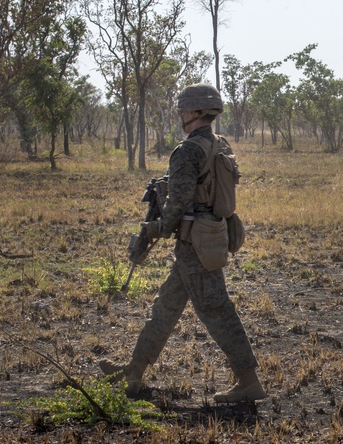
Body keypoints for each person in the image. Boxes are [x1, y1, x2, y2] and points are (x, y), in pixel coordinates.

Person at [100, 83, 266, 403]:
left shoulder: (187, 150)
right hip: (208, 238)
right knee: (165, 307)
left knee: (217, 311)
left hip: (194, 245)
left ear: (193, 112)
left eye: (183, 110)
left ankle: (249, 380)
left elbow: (177, 206)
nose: (181, 115)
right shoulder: (220, 145)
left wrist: (155, 229)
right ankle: (134, 370)